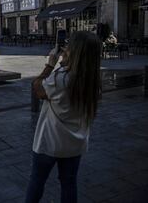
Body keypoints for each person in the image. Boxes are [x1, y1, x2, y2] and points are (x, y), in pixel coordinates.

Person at [26, 31, 101, 203]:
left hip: (50, 142)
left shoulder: (61, 77)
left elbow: (37, 88)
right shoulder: (93, 80)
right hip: (75, 143)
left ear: (76, 51)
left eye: (69, 46)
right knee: (69, 183)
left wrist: (50, 64)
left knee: (37, 181)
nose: (65, 48)